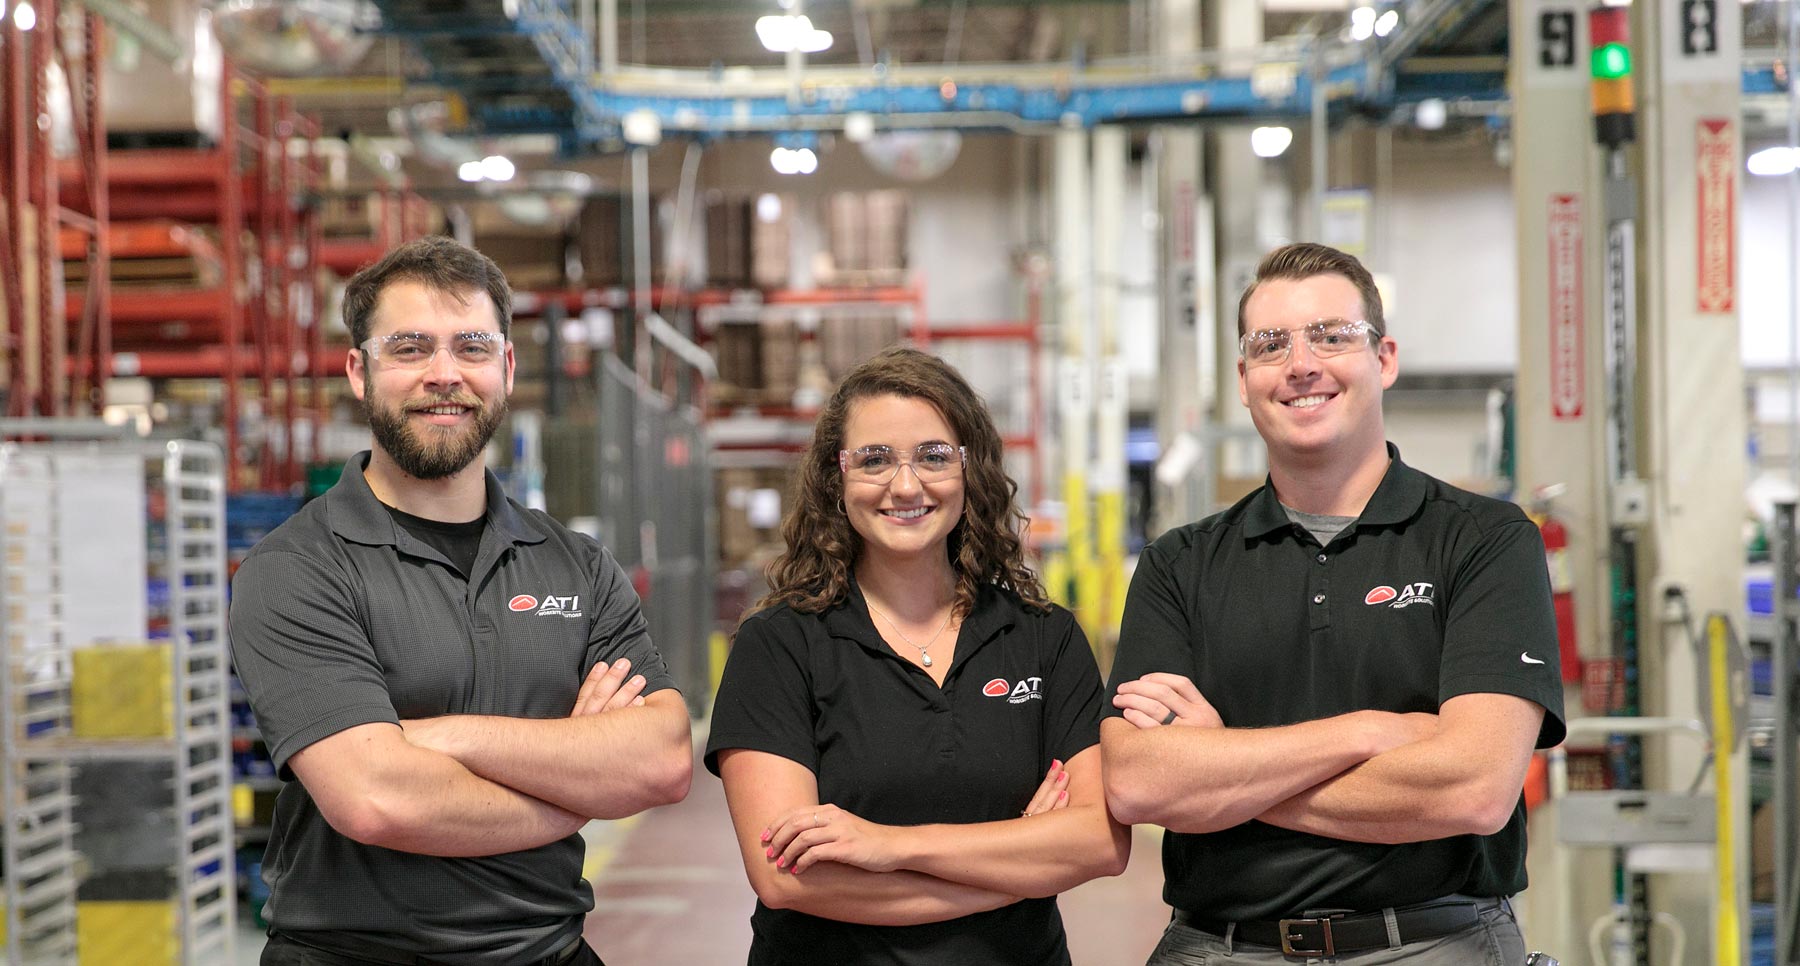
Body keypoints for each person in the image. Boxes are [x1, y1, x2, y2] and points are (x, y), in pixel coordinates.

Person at [229, 236, 692, 966]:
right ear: (360, 370)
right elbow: (376, 799)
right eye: (410, 348)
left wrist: (442, 736)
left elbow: (663, 762)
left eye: (471, 347)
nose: (444, 375)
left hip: (552, 950)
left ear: (506, 367)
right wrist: (582, 786)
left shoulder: (576, 566)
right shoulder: (295, 569)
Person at [1102, 242, 1566, 964]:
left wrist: (1222, 768)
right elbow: (1137, 783)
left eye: (1331, 335)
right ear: (1244, 378)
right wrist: (1376, 732)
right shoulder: (1179, 563)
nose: (1301, 364)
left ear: (1384, 359)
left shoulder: (1485, 541)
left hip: (1433, 942)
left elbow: (1474, 789)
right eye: (1271, 344)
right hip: (1220, 948)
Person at [706, 346, 1130, 966]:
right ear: (836, 477)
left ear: (970, 471)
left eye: (934, 457)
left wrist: (886, 845)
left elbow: (1098, 842)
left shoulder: (1045, 639)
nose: (906, 486)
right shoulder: (779, 646)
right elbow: (786, 878)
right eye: (875, 460)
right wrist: (1019, 862)